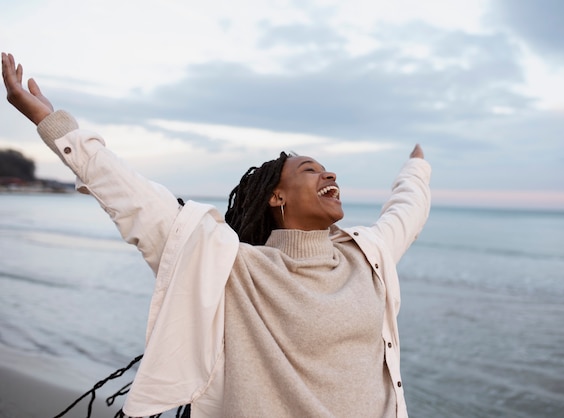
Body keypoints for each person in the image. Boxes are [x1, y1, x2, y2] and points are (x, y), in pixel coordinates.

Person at [2, 52, 431, 418]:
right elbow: (138, 201)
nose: (328, 173)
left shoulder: (366, 256)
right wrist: (52, 123)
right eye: (310, 169)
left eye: (326, 168)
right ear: (276, 197)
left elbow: (406, 212)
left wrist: (416, 167)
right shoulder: (233, 269)